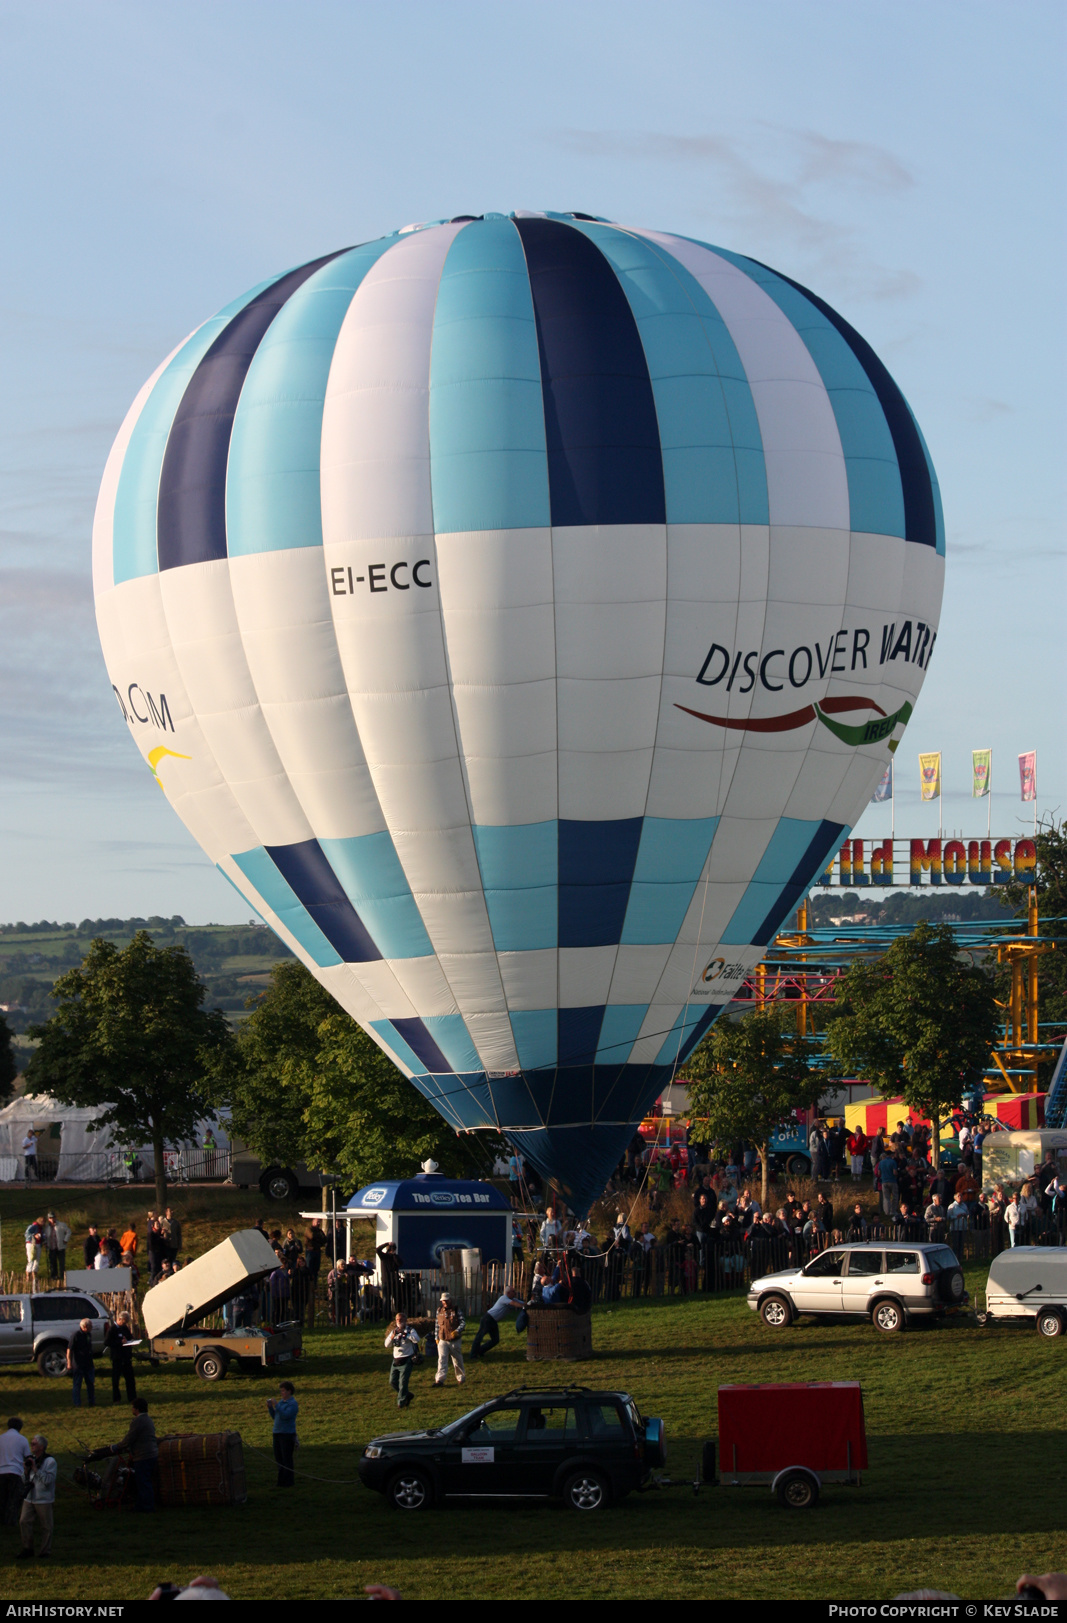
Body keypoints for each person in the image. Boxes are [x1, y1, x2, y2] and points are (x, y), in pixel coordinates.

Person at [109, 1397, 157, 1511]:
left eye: (133, 1407)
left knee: (143, 1482)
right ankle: (142, 1505)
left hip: (143, 1455)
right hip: (152, 1454)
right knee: (143, 1481)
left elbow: (130, 1437)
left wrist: (117, 1446)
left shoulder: (138, 1421)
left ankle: (147, 1506)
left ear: (137, 1409)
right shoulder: (148, 1419)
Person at [17, 1435, 56, 1560]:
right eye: (31, 1443)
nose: (31, 1446)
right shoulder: (31, 1459)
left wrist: (36, 1469)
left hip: (44, 1499)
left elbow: (48, 1481)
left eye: (34, 1444)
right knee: (23, 1521)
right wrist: (26, 1471)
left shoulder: (50, 1461)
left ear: (42, 1447)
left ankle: (45, 1551)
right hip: (29, 1497)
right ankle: (27, 1548)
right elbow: (23, 1480)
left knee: (46, 1526)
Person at [470, 1286, 524, 1358]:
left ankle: (480, 1350)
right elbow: (514, 1303)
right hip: (488, 1319)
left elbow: (522, 1303)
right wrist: (524, 1307)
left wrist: (529, 1305)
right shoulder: (504, 1298)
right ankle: (473, 1355)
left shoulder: (512, 1299)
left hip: (493, 1321)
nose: (515, 1293)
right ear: (508, 1293)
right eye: (513, 1291)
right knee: (479, 1337)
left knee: (495, 1340)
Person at [384, 1313, 421, 1408]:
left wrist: (406, 1335)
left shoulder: (410, 1330)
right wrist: (393, 1336)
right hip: (396, 1360)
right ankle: (407, 1395)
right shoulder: (394, 1332)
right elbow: (386, 1345)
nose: (399, 1321)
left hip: (407, 1359)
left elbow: (417, 1339)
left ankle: (401, 1402)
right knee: (392, 1382)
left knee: (403, 1382)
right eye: (397, 1320)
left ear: (405, 1320)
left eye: (401, 1320)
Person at [267, 1380, 298, 1488]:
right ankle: (281, 1482)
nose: (282, 1393)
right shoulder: (281, 1403)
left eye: (283, 1391)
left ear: (289, 1391)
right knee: (279, 1459)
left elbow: (286, 1415)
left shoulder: (293, 1404)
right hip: (277, 1433)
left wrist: (277, 1406)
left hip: (287, 1434)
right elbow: (276, 1417)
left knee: (287, 1459)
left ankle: (289, 1482)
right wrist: (271, 1408)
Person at [0, 1418, 29, 1528]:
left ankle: (1, 1520)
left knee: (2, 1497)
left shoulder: (1, 1438)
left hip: (1, 1472)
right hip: (15, 1472)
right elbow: (27, 1457)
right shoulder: (22, 1439)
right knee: (13, 1499)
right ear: (20, 1427)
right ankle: (10, 1522)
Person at [104, 1313, 137, 1404]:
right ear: (119, 1319)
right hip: (117, 1357)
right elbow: (107, 1342)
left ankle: (132, 1398)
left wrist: (131, 1340)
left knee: (130, 1379)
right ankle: (116, 1399)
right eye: (124, 1322)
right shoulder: (112, 1329)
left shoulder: (125, 1328)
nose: (125, 1323)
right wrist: (119, 1342)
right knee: (116, 1380)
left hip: (126, 1357)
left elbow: (129, 1337)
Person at [434, 1293, 465, 1386]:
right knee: (442, 1360)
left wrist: (457, 1331)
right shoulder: (439, 1311)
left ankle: (461, 1378)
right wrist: (436, 1337)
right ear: (441, 1301)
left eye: (447, 1300)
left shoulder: (456, 1310)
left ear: (450, 1300)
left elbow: (463, 1322)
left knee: (457, 1360)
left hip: (454, 1340)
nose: (445, 1302)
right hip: (442, 1340)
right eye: (444, 1300)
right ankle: (440, 1380)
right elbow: (437, 1325)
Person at [67, 1318, 95, 1407]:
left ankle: (91, 1401)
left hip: (88, 1363)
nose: (92, 1327)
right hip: (78, 1363)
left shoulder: (89, 1335)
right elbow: (69, 1350)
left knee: (90, 1383)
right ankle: (77, 1403)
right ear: (85, 1326)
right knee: (77, 1384)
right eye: (91, 1326)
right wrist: (69, 1363)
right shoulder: (76, 1335)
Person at [45, 1212, 70, 1279]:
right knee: (53, 1263)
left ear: (55, 1218)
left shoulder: (61, 1225)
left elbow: (68, 1232)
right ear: (48, 1219)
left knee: (61, 1263)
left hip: (60, 1247)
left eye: (53, 1217)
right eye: (50, 1218)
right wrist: (46, 1243)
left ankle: (62, 1276)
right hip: (52, 1248)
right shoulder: (47, 1227)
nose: (52, 1219)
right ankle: (54, 1276)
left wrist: (65, 1240)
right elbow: (46, 1236)